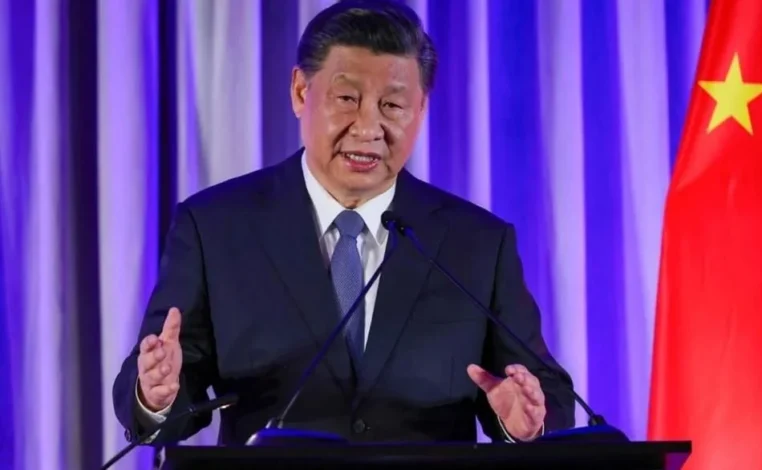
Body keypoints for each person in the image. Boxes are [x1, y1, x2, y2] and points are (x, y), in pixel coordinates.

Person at [112, 0, 575, 446]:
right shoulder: (215, 227)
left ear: (421, 108)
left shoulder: (477, 243)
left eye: (392, 106)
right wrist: (156, 396)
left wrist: (525, 422)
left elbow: (546, 394)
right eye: (348, 99)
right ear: (301, 91)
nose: (368, 128)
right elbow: (164, 400)